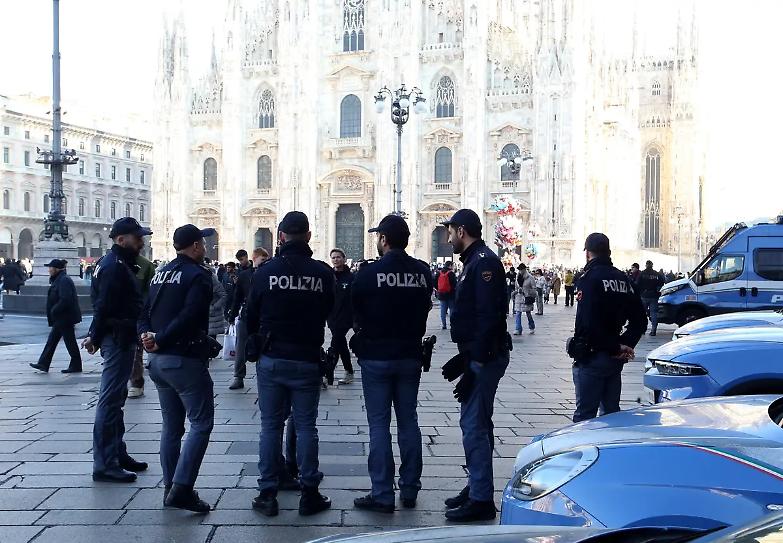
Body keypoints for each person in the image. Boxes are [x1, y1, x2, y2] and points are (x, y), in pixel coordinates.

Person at [245, 211, 335, 517]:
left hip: (272, 358)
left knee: (270, 426)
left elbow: (250, 316)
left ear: (280, 236)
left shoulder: (265, 272)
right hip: (307, 358)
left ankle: (267, 493)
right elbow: (332, 312)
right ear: (308, 236)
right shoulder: (322, 273)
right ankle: (309, 492)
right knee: (307, 426)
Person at [350, 214, 433, 513]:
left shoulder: (369, 273)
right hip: (410, 355)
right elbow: (425, 306)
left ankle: (383, 493)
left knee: (379, 425)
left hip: (376, 357)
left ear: (383, 239)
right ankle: (409, 489)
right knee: (409, 420)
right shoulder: (422, 272)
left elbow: (353, 308)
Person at [138, 224, 216, 513]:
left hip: (157, 363)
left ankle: (170, 485)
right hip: (183, 359)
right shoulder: (198, 275)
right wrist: (161, 338)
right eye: (203, 244)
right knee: (201, 423)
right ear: (195, 246)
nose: (205, 248)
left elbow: (144, 311)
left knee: (171, 426)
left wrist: (147, 336)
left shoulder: (160, 273)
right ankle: (182, 488)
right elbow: (190, 315)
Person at [441, 209, 509, 522]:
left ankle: (481, 499)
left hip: (484, 357)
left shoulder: (483, 263)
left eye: (451, 231)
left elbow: (489, 316)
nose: (448, 236)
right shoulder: (474, 261)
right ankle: (477, 485)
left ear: (463, 231)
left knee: (474, 427)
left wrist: (475, 362)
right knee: (480, 423)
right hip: (478, 354)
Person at [82, 217, 151, 483]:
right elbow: (103, 305)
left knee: (116, 399)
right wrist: (94, 336)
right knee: (110, 401)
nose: (141, 241)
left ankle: (117, 453)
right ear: (121, 239)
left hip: (119, 335)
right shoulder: (114, 267)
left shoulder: (113, 263)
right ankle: (105, 463)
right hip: (118, 337)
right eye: (137, 237)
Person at [569, 233, 647, 423]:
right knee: (611, 415)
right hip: (615, 360)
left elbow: (588, 323)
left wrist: (614, 347)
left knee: (584, 417)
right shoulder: (623, 279)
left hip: (593, 354)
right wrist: (625, 344)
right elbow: (640, 320)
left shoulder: (589, 279)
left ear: (587, 253)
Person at [30, 259, 82, 373]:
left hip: (65, 317)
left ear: (56, 269)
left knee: (69, 341)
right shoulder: (59, 279)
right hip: (62, 317)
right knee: (53, 340)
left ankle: (76, 365)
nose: (49, 270)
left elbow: (66, 298)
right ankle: (43, 363)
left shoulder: (63, 280)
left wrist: (55, 309)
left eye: (50, 267)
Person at [226, 248, 259, 390]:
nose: (261, 262)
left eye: (265, 259)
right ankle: (238, 377)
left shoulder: (268, 275)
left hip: (263, 318)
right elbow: (237, 297)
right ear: (254, 258)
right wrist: (232, 315)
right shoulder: (244, 275)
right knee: (240, 347)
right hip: (246, 316)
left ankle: (263, 376)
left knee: (264, 347)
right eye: (260, 259)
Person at [128, 254, 156, 399]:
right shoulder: (109, 262)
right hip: (115, 317)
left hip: (137, 314)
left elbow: (152, 293)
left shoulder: (145, 265)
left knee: (135, 350)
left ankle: (136, 382)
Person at [327, 248, 355, 385]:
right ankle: (349, 372)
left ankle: (327, 373)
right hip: (332, 316)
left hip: (345, 316)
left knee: (335, 343)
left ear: (344, 258)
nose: (336, 259)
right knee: (341, 343)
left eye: (338, 257)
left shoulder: (351, 277)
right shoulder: (329, 276)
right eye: (333, 257)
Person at [637, 260, 665, 336]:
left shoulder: (642, 274)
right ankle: (653, 330)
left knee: (642, 314)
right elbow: (662, 282)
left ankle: (642, 329)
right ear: (652, 265)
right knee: (654, 314)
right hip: (654, 296)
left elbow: (637, 284)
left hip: (644, 295)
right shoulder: (656, 274)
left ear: (646, 265)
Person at [206, 259, 227, 342]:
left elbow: (223, 295)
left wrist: (213, 307)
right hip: (200, 318)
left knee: (210, 343)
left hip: (212, 318)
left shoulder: (213, 280)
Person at [512, 264, 536, 335]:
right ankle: (518, 329)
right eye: (519, 269)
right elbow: (516, 287)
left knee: (528, 313)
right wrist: (516, 291)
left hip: (526, 298)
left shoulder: (530, 278)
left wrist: (527, 292)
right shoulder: (517, 277)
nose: (520, 271)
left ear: (525, 269)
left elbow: (534, 289)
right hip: (518, 298)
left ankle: (531, 326)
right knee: (518, 313)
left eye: (521, 269)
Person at [435, 261, 457, 329]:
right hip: (451, 294)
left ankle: (444, 325)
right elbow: (455, 284)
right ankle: (452, 324)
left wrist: (439, 289)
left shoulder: (439, 273)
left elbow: (434, 282)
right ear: (450, 266)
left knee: (443, 310)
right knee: (452, 309)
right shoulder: (451, 273)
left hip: (441, 294)